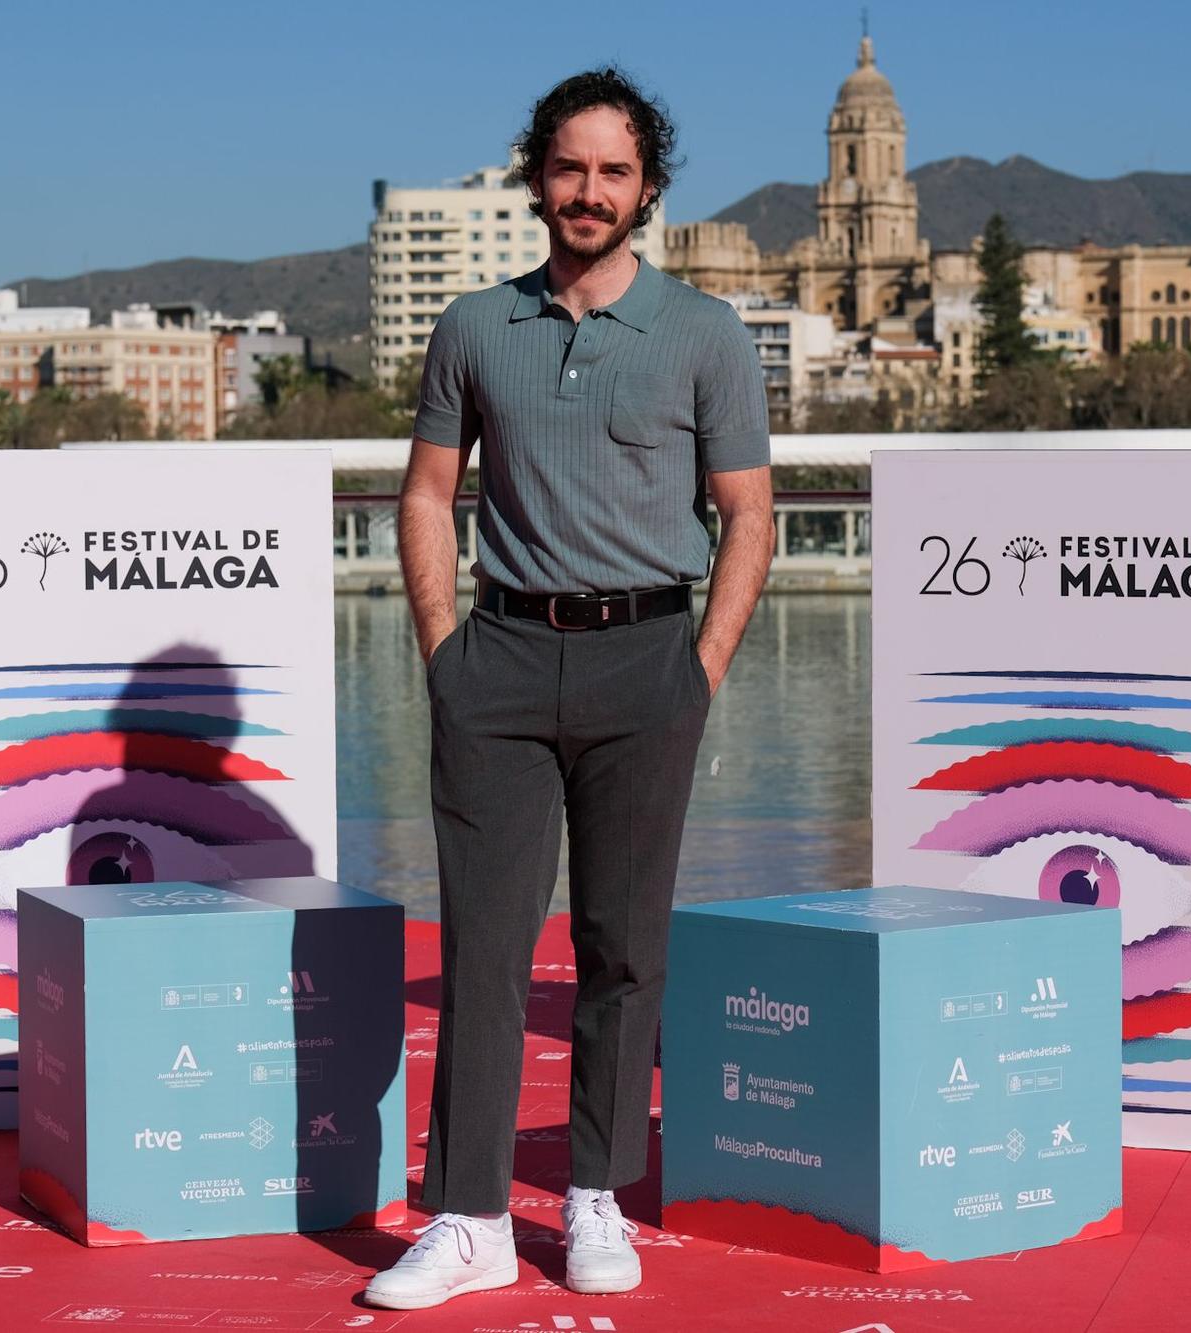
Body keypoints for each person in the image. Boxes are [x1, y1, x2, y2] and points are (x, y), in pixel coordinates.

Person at [363, 67, 773, 1310]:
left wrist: (697, 670)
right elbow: (429, 492)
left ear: (646, 187)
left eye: (612, 170)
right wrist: (443, 650)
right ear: (534, 176)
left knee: (620, 946)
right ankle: (472, 1218)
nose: (588, 191)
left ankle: (594, 1192)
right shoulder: (473, 327)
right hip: (495, 662)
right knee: (484, 950)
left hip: (645, 663)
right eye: (568, 167)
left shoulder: (705, 333)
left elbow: (747, 515)